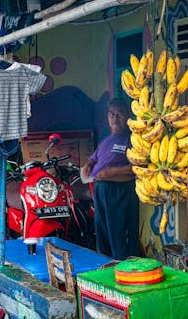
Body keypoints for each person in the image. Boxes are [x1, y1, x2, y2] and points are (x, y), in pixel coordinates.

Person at [81, 98, 139, 260]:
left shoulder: (132, 140)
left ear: (127, 116)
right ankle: (106, 266)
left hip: (120, 192)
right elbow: (95, 157)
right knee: (103, 231)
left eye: (119, 114)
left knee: (119, 234)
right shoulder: (107, 140)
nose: (115, 117)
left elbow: (137, 168)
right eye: (111, 114)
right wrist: (89, 164)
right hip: (101, 192)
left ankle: (124, 268)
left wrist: (112, 172)